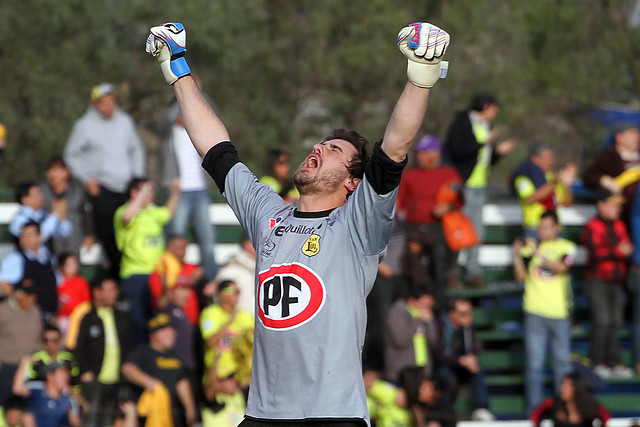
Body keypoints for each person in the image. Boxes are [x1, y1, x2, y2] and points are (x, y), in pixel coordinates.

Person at [145, 19, 449, 425]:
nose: (319, 147)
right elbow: (215, 148)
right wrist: (176, 67)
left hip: (332, 415)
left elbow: (395, 147)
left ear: (352, 181)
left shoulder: (358, 224)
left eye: (334, 149)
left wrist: (421, 78)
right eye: (320, 142)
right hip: (264, 416)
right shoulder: (268, 214)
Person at [63, 82, 146, 279]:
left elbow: (136, 150)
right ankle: (117, 275)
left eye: (111, 101)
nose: (108, 106)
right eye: (103, 103)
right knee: (109, 233)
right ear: (95, 104)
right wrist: (86, 179)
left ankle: (130, 273)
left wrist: (138, 179)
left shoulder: (125, 121)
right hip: (102, 187)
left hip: (126, 186)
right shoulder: (84, 126)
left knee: (133, 230)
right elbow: (71, 155)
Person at [443, 92, 516, 288]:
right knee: (458, 230)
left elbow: (483, 159)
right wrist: (485, 143)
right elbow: (460, 150)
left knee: (476, 232)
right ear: (486, 107)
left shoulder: (485, 126)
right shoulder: (462, 123)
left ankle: (472, 274)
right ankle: (451, 274)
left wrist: (497, 152)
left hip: (479, 186)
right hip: (462, 185)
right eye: (494, 108)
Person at [512, 210, 577, 413]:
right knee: (534, 364)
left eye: (546, 226)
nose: (542, 231)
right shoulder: (530, 250)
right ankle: (534, 410)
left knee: (562, 364)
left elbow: (562, 267)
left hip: (559, 313)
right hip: (534, 311)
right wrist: (516, 255)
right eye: (540, 227)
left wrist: (538, 254)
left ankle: (562, 408)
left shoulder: (566, 247)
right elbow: (520, 277)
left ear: (557, 228)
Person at [396, 135, 463, 310]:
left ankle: (438, 309)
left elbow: (459, 200)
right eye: (418, 153)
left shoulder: (449, 174)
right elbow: (399, 201)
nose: (419, 157)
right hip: (413, 227)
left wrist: (447, 207)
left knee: (439, 262)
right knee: (408, 261)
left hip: (437, 227)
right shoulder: (409, 175)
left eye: (423, 153)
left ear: (435, 154)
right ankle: (413, 302)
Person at [160, 87, 219, 281]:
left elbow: (213, 113)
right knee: (175, 236)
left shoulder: (198, 131)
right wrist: (182, 87)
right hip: (179, 192)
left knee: (207, 238)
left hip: (199, 189)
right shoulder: (170, 132)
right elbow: (166, 121)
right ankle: (172, 277)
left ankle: (210, 280)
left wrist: (197, 90)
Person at [114, 177, 179, 345]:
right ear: (134, 193)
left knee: (156, 320)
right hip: (135, 275)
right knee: (137, 322)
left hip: (155, 276)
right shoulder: (123, 211)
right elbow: (127, 217)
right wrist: (143, 191)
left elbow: (167, 213)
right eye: (146, 191)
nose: (150, 195)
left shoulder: (151, 212)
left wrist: (175, 192)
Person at [581, 190, 635, 379]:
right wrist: (617, 251)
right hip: (597, 280)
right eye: (613, 205)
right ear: (601, 205)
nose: (617, 209)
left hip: (616, 280)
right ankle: (597, 362)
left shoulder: (619, 225)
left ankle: (615, 362)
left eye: (619, 206)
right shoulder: (592, 226)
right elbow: (595, 252)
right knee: (602, 321)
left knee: (616, 322)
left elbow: (626, 244)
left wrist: (625, 250)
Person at [122, 312, 198, 427]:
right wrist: (149, 382)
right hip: (145, 416)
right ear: (152, 335)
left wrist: (190, 408)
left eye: (172, 330)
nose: (171, 334)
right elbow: (127, 369)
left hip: (169, 415)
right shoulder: (143, 352)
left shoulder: (175, 356)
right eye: (165, 331)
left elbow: (182, 382)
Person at [74, 275, 132, 426]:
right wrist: (85, 371)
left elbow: (127, 345)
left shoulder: (121, 316)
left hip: (116, 380)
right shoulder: (88, 318)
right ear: (97, 292)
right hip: (95, 379)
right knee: (91, 419)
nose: (114, 293)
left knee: (109, 420)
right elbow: (78, 348)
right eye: (110, 290)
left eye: (115, 289)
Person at [432, 298, 494, 421]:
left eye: (469, 313)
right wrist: (460, 360)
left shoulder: (468, 327)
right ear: (452, 314)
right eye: (463, 313)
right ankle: (446, 413)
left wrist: (470, 361)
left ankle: (480, 409)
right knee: (443, 374)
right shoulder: (440, 325)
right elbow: (438, 354)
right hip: (443, 365)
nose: (467, 316)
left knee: (477, 370)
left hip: (461, 367)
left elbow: (472, 351)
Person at [199, 280, 254, 399]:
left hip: (241, 377)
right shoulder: (211, 313)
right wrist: (229, 321)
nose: (237, 295)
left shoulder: (245, 316)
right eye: (233, 291)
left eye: (238, 291)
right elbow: (210, 342)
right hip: (219, 375)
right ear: (221, 294)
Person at [511, 142, 577, 238]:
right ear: (535, 158)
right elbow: (530, 198)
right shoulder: (523, 178)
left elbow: (566, 203)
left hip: (555, 228)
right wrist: (554, 182)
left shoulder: (551, 177)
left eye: (551, 159)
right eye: (546, 158)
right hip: (535, 228)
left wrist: (567, 185)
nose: (550, 162)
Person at [0, 221, 59, 324]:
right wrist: (18, 306)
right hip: (26, 318)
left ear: (39, 237)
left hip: (49, 317)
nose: (25, 239)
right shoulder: (16, 258)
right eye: (23, 235)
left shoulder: (48, 257)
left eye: (29, 235)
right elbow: (3, 283)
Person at [40, 155, 93, 256]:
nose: (52, 174)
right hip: (48, 242)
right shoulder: (41, 192)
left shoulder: (77, 191)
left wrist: (88, 235)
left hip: (72, 238)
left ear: (66, 172)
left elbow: (86, 212)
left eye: (56, 170)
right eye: (50, 170)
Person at [0, 280, 42, 408]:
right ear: (18, 294)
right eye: (29, 295)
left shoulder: (35, 311)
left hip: (29, 368)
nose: (33, 298)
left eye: (34, 294)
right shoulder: (3, 311)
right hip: (7, 367)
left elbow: (39, 337)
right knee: (5, 405)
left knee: (27, 407)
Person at [384, 284, 438, 384]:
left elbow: (433, 342)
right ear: (412, 300)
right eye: (424, 304)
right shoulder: (398, 311)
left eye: (429, 305)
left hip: (421, 372)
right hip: (401, 372)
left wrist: (430, 322)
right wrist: (417, 318)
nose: (426, 308)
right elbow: (400, 339)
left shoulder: (426, 318)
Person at [149, 234, 203, 325]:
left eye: (185, 247)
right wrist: (187, 282)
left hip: (191, 321)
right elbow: (160, 302)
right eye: (181, 247)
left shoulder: (191, 267)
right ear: (170, 248)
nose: (184, 251)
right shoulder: (160, 272)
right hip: (170, 324)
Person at [12, 358, 81, 427]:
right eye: (62, 373)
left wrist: (72, 419)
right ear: (50, 376)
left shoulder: (68, 399)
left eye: (67, 373)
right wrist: (23, 364)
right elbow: (17, 389)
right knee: (27, 417)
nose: (66, 376)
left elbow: (76, 422)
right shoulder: (38, 390)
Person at [530, 373, 611, 427]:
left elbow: (606, 417)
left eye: (566, 386)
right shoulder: (553, 403)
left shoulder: (590, 406)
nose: (562, 389)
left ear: (577, 388)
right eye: (562, 385)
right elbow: (536, 414)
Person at [9, 181, 71, 245]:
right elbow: (39, 238)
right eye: (37, 194)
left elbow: (64, 233)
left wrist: (61, 217)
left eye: (40, 194)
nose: (41, 198)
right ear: (24, 199)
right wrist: (54, 215)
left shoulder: (42, 214)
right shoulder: (19, 219)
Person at [214, 232, 257, 315]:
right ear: (246, 245)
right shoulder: (231, 268)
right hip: (238, 323)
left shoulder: (266, 266)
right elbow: (220, 299)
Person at [55, 253, 91, 340]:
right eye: (68, 265)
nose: (72, 267)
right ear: (61, 267)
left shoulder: (81, 282)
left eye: (74, 264)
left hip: (78, 319)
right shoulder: (57, 282)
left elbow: (86, 302)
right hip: (62, 319)